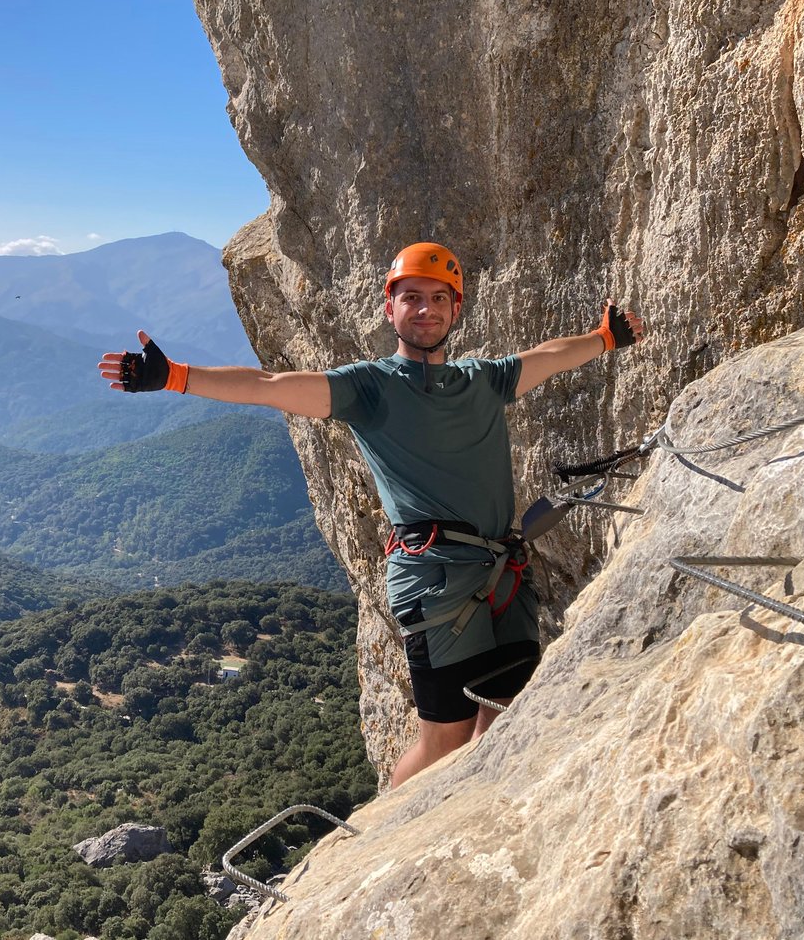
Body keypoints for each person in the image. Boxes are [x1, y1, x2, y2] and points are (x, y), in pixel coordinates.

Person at [97, 241, 645, 787]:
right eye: (411, 297)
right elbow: (269, 387)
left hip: (505, 575)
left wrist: (603, 339)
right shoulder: (370, 389)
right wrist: (176, 377)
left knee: (505, 710)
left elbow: (548, 356)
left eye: (437, 298)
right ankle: (392, 830)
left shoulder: (485, 380)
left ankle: (469, 812)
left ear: (456, 309)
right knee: (445, 738)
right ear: (390, 309)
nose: (425, 309)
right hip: (434, 582)